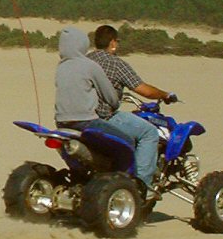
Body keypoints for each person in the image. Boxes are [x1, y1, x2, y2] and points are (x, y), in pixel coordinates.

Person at [54, 27, 158, 196]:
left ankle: (82, 179)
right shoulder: (92, 65)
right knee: (135, 139)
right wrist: (166, 95)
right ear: (113, 42)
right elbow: (115, 95)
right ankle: (138, 188)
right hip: (89, 120)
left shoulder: (62, 67)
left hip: (61, 122)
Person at [86, 24, 168, 193]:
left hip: (82, 116)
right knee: (149, 133)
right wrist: (165, 95)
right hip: (105, 117)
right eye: (117, 41)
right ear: (113, 42)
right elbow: (143, 89)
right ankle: (142, 186)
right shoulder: (116, 64)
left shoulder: (85, 61)